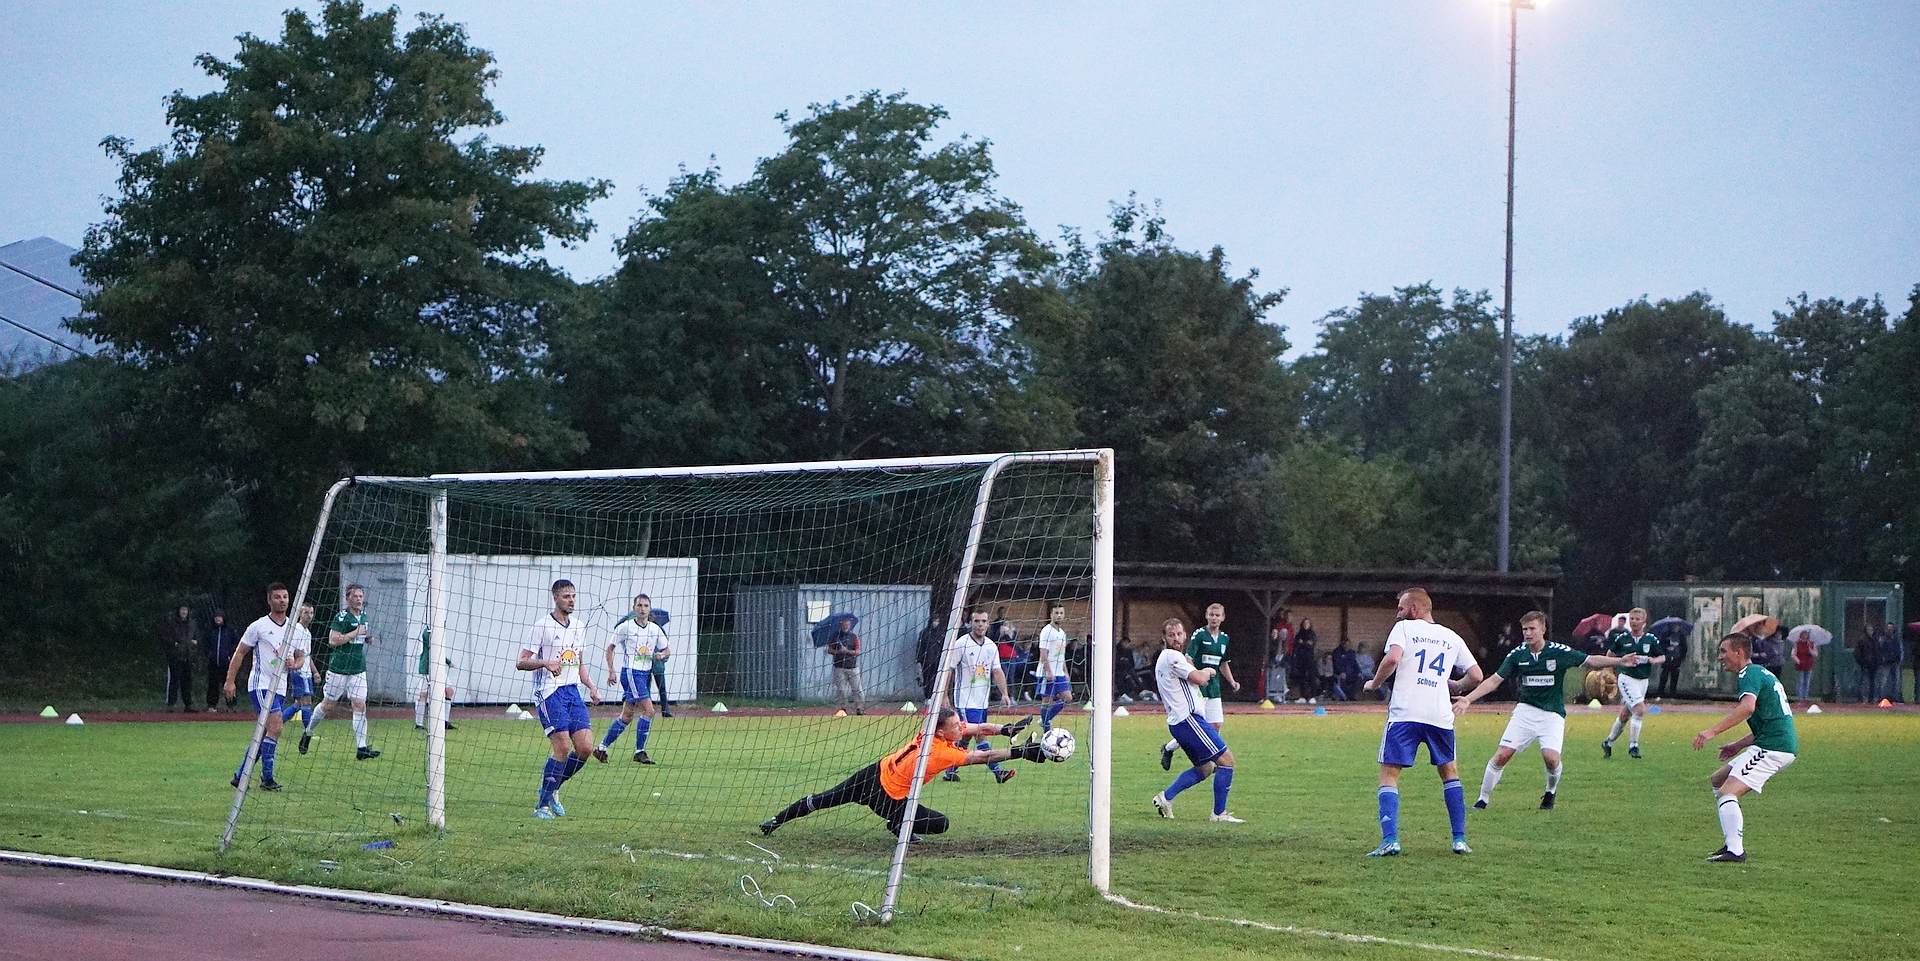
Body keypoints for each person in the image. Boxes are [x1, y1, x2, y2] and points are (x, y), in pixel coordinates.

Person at [760, 708, 1049, 840]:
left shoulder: (931, 733)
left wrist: (1002, 729)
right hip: (887, 796)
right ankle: (898, 824)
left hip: (874, 771)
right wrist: (1020, 752)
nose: (961, 728)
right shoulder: (941, 752)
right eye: (955, 726)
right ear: (942, 732)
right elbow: (982, 756)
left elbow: (972, 729)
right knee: (941, 824)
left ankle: (775, 820)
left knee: (825, 798)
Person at [1453, 611, 1637, 810]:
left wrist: (1619, 662)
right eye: (1525, 629)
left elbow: (1590, 660)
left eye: (1532, 629)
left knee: (1551, 759)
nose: (1528, 633)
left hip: (1552, 715)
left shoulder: (1558, 652)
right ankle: (1482, 800)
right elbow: (1495, 680)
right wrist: (1468, 699)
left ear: (1543, 629)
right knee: (1502, 755)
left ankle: (1550, 791)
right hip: (1525, 712)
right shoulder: (1518, 654)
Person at [1361, 587, 1483, 856]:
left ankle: (1390, 841)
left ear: (1415, 609)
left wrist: (1374, 683)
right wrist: (1454, 686)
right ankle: (1459, 839)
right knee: (1449, 772)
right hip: (1439, 716)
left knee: (1389, 775)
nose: (1398, 614)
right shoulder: (1451, 636)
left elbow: (1392, 658)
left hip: (1406, 713)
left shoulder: (1405, 629)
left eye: (1401, 608)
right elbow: (1476, 675)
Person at [1692, 632, 1799, 862]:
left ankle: (1735, 850)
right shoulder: (1759, 672)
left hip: (1773, 748)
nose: (1720, 657)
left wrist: (1712, 731)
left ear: (1738, 652)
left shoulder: (1748, 673)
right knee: (1718, 780)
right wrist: (1737, 745)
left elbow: (1747, 708)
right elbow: (1768, 720)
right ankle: (1731, 840)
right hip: (1768, 742)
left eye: (1723, 651)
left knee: (1727, 792)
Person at [517, 578, 601, 818]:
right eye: (566, 596)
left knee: (585, 748)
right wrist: (545, 662)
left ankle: (553, 788)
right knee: (562, 747)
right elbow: (521, 662)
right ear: (555, 597)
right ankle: (541, 805)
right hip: (549, 692)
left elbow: (579, 664)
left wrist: (592, 687)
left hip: (573, 692)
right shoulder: (542, 626)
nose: (571, 600)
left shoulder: (579, 626)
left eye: (573, 596)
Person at [1149, 617, 1241, 822]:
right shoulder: (1172, 656)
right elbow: (1199, 679)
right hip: (1188, 720)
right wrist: (1208, 671)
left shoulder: (1171, 657)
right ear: (1164, 638)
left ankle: (1166, 798)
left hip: (1181, 722)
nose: (1176, 638)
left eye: (1179, 634)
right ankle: (1219, 814)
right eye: (1171, 635)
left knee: (1206, 768)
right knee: (1226, 762)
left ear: (1185, 635)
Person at [223, 582, 301, 791]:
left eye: (285, 596)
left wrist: (295, 664)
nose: (282, 600)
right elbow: (240, 652)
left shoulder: (296, 628)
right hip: (261, 685)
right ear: (269, 600)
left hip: (281, 687)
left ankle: (241, 775)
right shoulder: (258, 626)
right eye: (277, 597)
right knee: (275, 727)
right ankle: (267, 779)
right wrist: (230, 681)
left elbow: (301, 657)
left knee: (266, 732)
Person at [302, 584, 379, 760]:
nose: (359, 599)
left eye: (361, 596)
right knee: (328, 705)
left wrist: (366, 638)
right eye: (356, 596)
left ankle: (361, 748)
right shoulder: (341, 617)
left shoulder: (364, 616)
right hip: (339, 669)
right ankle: (308, 732)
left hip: (358, 669)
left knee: (359, 705)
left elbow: (358, 636)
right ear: (348, 598)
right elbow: (333, 640)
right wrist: (355, 633)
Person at [943, 610, 1017, 784]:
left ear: (988, 623)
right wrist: (945, 694)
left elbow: (997, 670)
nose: (980, 624)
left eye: (984, 621)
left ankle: (950, 770)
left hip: (982, 701)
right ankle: (998, 772)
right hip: (965, 701)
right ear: (971, 623)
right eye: (977, 621)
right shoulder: (961, 644)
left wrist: (1005, 693)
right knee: (980, 735)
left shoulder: (991, 646)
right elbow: (950, 670)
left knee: (966, 737)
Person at [1161, 603, 1238, 770]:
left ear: (1223, 617)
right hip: (1199, 686)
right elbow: (1188, 658)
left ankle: (1213, 754)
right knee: (1197, 726)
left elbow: (1223, 663)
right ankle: (1169, 748)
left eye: (1218, 615)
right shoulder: (1199, 635)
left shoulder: (1224, 638)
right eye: (1211, 615)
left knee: (1216, 724)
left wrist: (1232, 682)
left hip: (1214, 686)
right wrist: (1195, 676)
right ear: (1206, 616)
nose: (1214, 618)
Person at [596, 593, 666, 764]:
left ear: (650, 609)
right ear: (634, 608)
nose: (642, 609)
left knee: (626, 716)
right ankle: (639, 752)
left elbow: (667, 649)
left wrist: (661, 655)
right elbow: (610, 649)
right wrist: (611, 670)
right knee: (649, 711)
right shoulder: (625, 627)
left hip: (644, 674)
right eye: (639, 605)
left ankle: (601, 749)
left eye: (645, 606)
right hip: (631, 673)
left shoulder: (655, 629)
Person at [1601, 608, 1666, 759]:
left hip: (1643, 681)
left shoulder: (1650, 639)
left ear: (1644, 622)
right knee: (1640, 709)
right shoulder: (1622, 638)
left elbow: (1662, 656)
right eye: (1632, 619)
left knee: (1625, 715)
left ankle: (1608, 742)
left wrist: (1653, 660)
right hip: (1627, 679)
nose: (1634, 622)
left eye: (1637, 619)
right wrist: (1607, 669)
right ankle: (1633, 746)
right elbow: (1610, 655)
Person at [280, 602, 318, 741]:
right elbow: (295, 653)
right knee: (306, 701)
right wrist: (295, 667)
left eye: (311, 613)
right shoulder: (296, 629)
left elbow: (307, 655)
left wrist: (315, 672)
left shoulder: (308, 633)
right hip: (299, 671)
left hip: (306, 671)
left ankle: (278, 723)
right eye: (306, 612)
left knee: (299, 703)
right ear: (300, 614)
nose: (309, 616)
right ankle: (307, 732)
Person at [1036, 602, 1073, 731]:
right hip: (1047, 672)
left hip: (1059, 672)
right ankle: (1046, 731)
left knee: (1068, 698)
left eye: (1061, 613)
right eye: (1056, 613)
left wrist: (1065, 672)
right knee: (1047, 700)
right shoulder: (1046, 631)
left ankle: (1044, 720)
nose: (1059, 616)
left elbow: (1061, 655)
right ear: (1051, 614)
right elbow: (1043, 653)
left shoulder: (1062, 633)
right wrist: (1048, 671)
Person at [413, 626, 456, 731]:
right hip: (428, 667)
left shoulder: (439, 629)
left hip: (438, 667)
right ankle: (418, 724)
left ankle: (444, 722)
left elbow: (438, 650)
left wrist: (447, 661)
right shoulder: (428, 631)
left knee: (449, 691)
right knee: (423, 695)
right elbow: (433, 648)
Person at [160, 604, 199, 712]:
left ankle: (188, 705)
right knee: (174, 681)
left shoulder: (192, 623)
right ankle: (171, 705)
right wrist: (174, 644)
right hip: (176, 656)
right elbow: (166, 637)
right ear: (179, 611)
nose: (184, 612)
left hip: (188, 656)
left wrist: (195, 644)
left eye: (186, 610)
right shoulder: (172, 623)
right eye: (182, 609)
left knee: (187, 681)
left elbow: (196, 636)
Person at [825, 614, 866, 715]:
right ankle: (842, 709)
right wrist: (838, 651)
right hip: (839, 667)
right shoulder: (835, 637)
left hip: (852, 667)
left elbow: (857, 651)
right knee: (841, 690)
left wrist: (846, 651)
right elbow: (829, 650)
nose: (846, 626)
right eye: (844, 624)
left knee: (857, 689)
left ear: (850, 625)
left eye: (847, 624)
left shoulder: (854, 637)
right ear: (841, 625)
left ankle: (859, 708)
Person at [205, 609, 239, 712]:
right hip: (213, 662)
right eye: (216, 617)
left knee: (229, 683)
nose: (218, 619)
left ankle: (231, 705)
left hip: (227, 663)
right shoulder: (211, 630)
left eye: (219, 617)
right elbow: (205, 644)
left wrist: (230, 655)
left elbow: (236, 644)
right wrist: (209, 655)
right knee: (213, 684)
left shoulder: (229, 630)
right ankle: (211, 705)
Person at [1289, 618, 1319, 703]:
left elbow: (1310, 644)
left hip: (1310, 658)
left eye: (1307, 623)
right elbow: (1296, 643)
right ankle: (1302, 696)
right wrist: (1302, 643)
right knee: (1301, 677)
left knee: (1311, 677)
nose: (1306, 625)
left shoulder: (1312, 634)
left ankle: (1313, 696)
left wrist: (1302, 643)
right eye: (1304, 623)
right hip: (1300, 658)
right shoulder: (1299, 634)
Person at [1657, 625, 1689, 699]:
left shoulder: (1681, 635)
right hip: (1667, 658)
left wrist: (1681, 657)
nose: (1676, 627)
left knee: (1674, 677)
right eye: (1674, 626)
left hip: (1676, 659)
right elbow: (1661, 645)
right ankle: (1660, 694)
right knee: (1664, 677)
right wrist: (1666, 649)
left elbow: (1684, 647)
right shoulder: (1666, 634)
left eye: (1677, 626)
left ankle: (1673, 695)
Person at [1877, 623, 1906, 703]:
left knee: (1896, 681)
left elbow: (1900, 649)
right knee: (1883, 680)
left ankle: (1895, 697)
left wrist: (1900, 659)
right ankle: (1881, 697)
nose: (1890, 630)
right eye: (1888, 628)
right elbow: (1879, 650)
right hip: (1886, 662)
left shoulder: (1896, 639)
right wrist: (1882, 659)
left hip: (1895, 662)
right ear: (1886, 629)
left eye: (1891, 628)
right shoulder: (1882, 639)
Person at [1853, 624, 1880, 702]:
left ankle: (1871, 698)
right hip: (1865, 665)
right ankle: (1862, 698)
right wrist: (1862, 662)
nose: (1870, 631)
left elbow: (1877, 651)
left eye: (1871, 630)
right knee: (1864, 682)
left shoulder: (1875, 640)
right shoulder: (1862, 640)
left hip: (1874, 665)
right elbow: (1857, 653)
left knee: (1872, 682)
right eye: (1869, 630)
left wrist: (1878, 661)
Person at [1790, 628, 1818, 704]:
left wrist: (1810, 650)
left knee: (1807, 681)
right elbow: (1793, 654)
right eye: (1803, 634)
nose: (1805, 636)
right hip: (1800, 664)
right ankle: (1800, 698)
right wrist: (1797, 660)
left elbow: (1815, 654)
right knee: (1800, 681)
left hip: (1808, 664)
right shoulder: (1797, 643)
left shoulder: (1812, 643)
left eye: (1806, 634)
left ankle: (1805, 697)